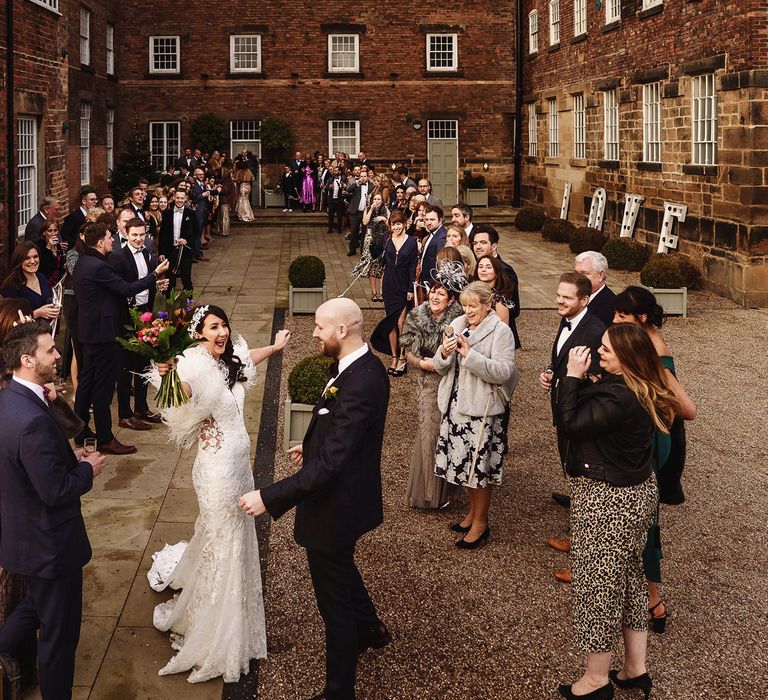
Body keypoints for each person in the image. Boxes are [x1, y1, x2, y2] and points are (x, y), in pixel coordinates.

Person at [239, 298, 391, 700]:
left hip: (337, 506)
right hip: (346, 498)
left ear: (343, 330)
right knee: (341, 567)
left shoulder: (362, 381)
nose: (314, 333)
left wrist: (269, 497)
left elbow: (334, 463)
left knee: (333, 602)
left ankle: (339, 690)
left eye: (321, 327)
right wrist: (311, 445)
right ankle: (372, 629)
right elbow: (338, 432)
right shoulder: (358, 366)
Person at [147, 307, 290, 683]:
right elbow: (183, 393)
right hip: (216, 472)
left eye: (224, 324)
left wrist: (274, 348)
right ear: (198, 334)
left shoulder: (229, 357)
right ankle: (216, 635)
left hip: (240, 466)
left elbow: (247, 359)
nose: (222, 331)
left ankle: (236, 612)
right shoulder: (193, 367)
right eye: (213, 327)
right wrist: (168, 378)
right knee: (224, 540)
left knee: (233, 538)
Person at [555, 324, 679, 700]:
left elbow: (570, 424)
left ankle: (595, 680)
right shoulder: (636, 386)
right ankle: (635, 669)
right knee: (629, 579)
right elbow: (596, 407)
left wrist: (571, 379)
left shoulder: (621, 397)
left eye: (607, 348)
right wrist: (578, 382)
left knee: (598, 586)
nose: (599, 349)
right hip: (635, 493)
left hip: (609, 500)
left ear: (627, 357)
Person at [0, 320, 105, 699]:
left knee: (34, 606)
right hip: (50, 545)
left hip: (21, 537)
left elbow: (29, 465)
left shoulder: (10, 398)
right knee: (59, 637)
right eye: (50, 350)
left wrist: (64, 456)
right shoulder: (30, 422)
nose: (59, 354)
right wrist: (85, 468)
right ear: (27, 359)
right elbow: (56, 490)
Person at [613, 286, 697, 634]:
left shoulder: (654, 350)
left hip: (651, 445)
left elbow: (688, 409)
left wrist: (653, 402)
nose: (615, 320)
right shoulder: (638, 340)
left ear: (642, 318)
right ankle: (640, 598)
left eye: (622, 316)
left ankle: (652, 602)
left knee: (643, 527)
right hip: (636, 442)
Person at [73, 222, 169, 455]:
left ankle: (81, 431)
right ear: (99, 242)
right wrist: (155, 275)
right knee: (103, 389)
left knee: (86, 384)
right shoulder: (97, 266)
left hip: (88, 332)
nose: (112, 240)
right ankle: (105, 438)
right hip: (103, 334)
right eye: (109, 237)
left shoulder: (85, 262)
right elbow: (126, 289)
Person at [433, 281, 517, 548]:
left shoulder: (501, 332)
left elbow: (504, 371)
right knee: (463, 467)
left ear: (488, 304)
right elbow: (439, 366)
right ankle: (471, 513)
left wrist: (471, 356)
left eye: (473, 306)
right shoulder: (457, 324)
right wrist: (445, 354)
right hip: (455, 406)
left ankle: (481, 522)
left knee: (478, 470)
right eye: (465, 305)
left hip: (481, 411)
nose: (468, 311)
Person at [540, 272, 606, 582]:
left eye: (566, 297)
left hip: (580, 416)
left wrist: (567, 386)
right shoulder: (568, 320)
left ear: (584, 300)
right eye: (558, 295)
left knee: (582, 478)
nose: (559, 301)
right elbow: (563, 360)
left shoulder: (595, 330)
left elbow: (595, 379)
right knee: (572, 473)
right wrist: (551, 374)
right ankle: (577, 538)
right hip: (563, 408)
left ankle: (583, 560)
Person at [400, 268, 466, 509]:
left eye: (441, 294)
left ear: (450, 299)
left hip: (452, 380)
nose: (435, 297)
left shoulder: (459, 319)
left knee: (448, 431)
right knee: (428, 431)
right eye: (433, 292)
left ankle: (450, 488)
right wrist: (421, 363)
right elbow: (407, 351)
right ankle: (429, 493)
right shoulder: (417, 315)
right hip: (427, 382)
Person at [111, 219, 166, 431]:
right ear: (126, 234)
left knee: (145, 361)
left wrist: (160, 284)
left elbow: (151, 282)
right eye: (134, 235)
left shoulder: (147, 254)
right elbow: (123, 289)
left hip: (146, 313)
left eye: (142, 235)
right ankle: (125, 414)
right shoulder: (118, 258)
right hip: (127, 316)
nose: (138, 239)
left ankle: (141, 407)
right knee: (126, 366)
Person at [370, 211, 419, 376]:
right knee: (391, 322)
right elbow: (380, 258)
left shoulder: (412, 242)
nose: (396, 227)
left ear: (404, 224)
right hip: (389, 283)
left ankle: (403, 357)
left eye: (399, 224)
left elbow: (413, 266)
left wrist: (410, 289)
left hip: (403, 284)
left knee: (401, 322)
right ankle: (394, 357)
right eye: (393, 224)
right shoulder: (387, 238)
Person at [472, 225, 522, 348]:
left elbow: (512, 307)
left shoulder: (505, 270)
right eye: (475, 243)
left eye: (483, 242)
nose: (478, 246)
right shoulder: (478, 268)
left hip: (498, 333)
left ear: (494, 246)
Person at [1, 242, 60, 322]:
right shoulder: (11, 286)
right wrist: (36, 314)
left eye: (35, 257)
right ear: (19, 260)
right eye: (27, 258)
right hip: (26, 333)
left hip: (46, 330)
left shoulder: (41, 277)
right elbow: (9, 320)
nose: (32, 261)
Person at [351, 193, 389, 302]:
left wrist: (384, 218)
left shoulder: (386, 210)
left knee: (382, 267)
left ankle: (381, 291)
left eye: (379, 199)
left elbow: (390, 225)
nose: (377, 201)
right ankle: (373, 292)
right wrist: (371, 209)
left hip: (383, 240)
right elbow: (365, 222)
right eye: (375, 199)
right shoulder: (367, 209)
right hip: (370, 240)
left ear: (382, 201)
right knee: (372, 267)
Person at [159, 189, 195, 292]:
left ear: (186, 199)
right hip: (170, 250)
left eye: (182, 198)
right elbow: (162, 234)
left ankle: (189, 305)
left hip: (185, 251)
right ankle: (169, 304)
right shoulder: (167, 214)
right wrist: (161, 252)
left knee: (186, 278)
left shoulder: (191, 213)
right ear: (174, 198)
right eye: (177, 197)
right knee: (170, 278)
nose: (179, 200)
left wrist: (187, 241)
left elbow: (196, 232)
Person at [575, 251, 616, 328]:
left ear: (601, 275)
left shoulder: (612, 307)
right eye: (576, 273)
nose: (577, 278)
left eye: (584, 274)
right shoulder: (574, 296)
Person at [474, 255, 516, 327]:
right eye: (480, 267)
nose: (483, 270)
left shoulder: (499, 299)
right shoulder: (474, 291)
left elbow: (503, 329)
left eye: (488, 267)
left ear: (496, 272)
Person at [346, 170, 372, 256]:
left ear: (367, 177)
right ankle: (352, 249)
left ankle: (363, 251)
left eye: (365, 176)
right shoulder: (356, 185)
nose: (363, 178)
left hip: (366, 213)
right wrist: (357, 183)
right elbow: (348, 190)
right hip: (355, 211)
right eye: (361, 176)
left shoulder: (372, 187)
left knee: (365, 232)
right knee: (354, 231)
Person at [36, 220, 66, 287]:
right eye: (50, 231)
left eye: (55, 230)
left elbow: (60, 265)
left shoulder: (57, 245)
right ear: (44, 233)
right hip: (44, 282)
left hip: (57, 283)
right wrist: (48, 248)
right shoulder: (39, 246)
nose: (53, 233)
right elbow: (43, 268)